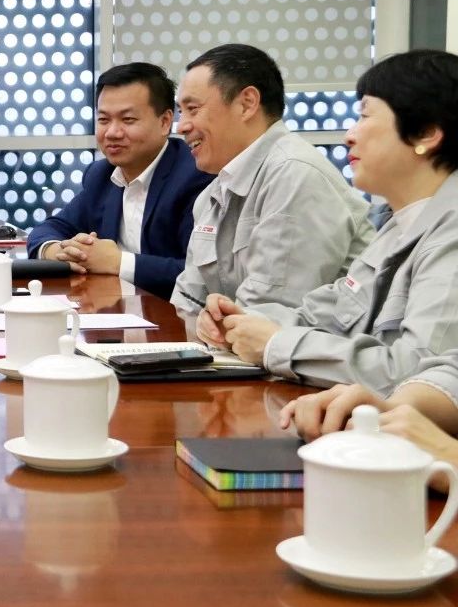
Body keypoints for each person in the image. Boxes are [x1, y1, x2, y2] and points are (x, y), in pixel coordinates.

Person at [195, 49, 458, 398]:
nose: (350, 134)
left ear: (425, 133)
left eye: (364, 116)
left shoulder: (451, 233)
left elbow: (417, 375)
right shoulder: (398, 224)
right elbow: (331, 313)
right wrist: (239, 322)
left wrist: (275, 344)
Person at [170, 43, 374, 317]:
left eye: (193, 109)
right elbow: (187, 301)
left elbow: (271, 314)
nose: (182, 125)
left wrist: (209, 325)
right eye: (181, 112)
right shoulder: (213, 192)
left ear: (247, 104)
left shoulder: (295, 174)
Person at [26, 62, 211, 299]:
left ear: (165, 122)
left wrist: (117, 262)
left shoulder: (195, 176)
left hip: (173, 315)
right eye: (104, 120)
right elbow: (48, 229)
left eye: (128, 119)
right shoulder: (101, 175)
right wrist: (59, 251)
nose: (112, 132)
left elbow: (200, 277)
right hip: (113, 309)